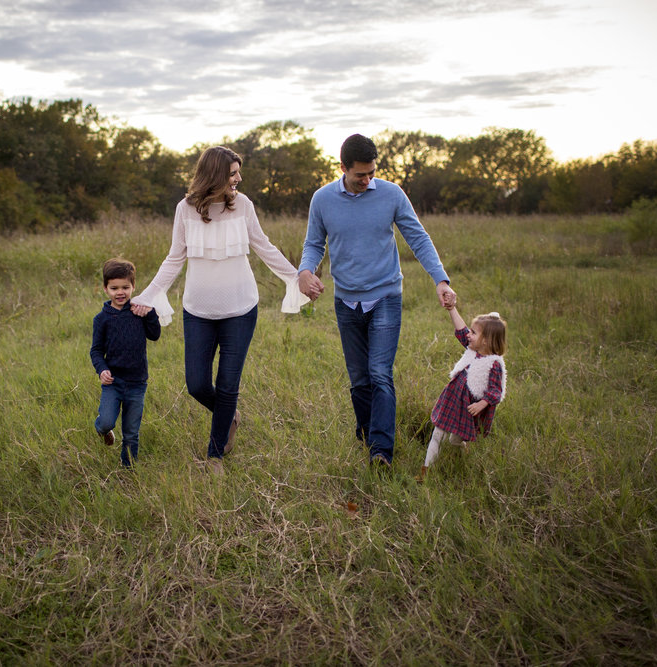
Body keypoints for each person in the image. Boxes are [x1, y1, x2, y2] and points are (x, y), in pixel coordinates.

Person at [131, 146, 310, 475]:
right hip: (197, 310)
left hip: (241, 309)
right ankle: (229, 415)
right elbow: (174, 258)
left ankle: (215, 456)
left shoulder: (243, 205)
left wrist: (295, 278)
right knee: (197, 384)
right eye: (232, 173)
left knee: (228, 385)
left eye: (238, 172)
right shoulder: (184, 209)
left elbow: (263, 245)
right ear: (214, 175)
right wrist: (147, 294)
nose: (239, 179)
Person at [297, 133, 456, 469]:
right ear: (342, 168)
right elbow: (314, 244)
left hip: (385, 296)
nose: (367, 180)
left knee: (379, 373)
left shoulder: (390, 194)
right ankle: (368, 433)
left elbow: (418, 237)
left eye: (371, 173)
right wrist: (305, 272)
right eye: (360, 175)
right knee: (359, 378)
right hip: (346, 301)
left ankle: (381, 451)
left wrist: (440, 279)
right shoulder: (322, 199)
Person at [419, 304, 507, 481]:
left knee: (454, 440)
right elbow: (461, 329)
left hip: (468, 407)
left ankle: (462, 454)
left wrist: (482, 404)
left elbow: (496, 391)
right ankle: (425, 472)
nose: (469, 335)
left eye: (474, 333)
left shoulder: (494, 363)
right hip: (452, 400)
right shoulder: (472, 349)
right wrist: (452, 308)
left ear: (486, 341)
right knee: (437, 435)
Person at [90, 257, 161, 468]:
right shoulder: (101, 319)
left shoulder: (139, 312)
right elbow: (96, 351)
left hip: (137, 383)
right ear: (105, 289)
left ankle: (128, 468)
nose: (120, 292)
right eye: (114, 288)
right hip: (113, 382)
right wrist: (101, 370)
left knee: (131, 432)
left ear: (133, 287)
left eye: (125, 287)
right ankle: (102, 430)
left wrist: (150, 314)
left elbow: (154, 335)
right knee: (106, 422)